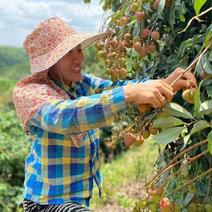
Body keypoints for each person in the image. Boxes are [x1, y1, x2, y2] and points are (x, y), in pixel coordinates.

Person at [12, 17, 197, 212]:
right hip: (44, 203)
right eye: (68, 53)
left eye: (79, 49)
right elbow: (63, 117)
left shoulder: (82, 83)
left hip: (76, 203)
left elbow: (115, 89)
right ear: (49, 62)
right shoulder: (30, 92)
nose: (79, 58)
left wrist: (165, 82)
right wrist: (128, 94)